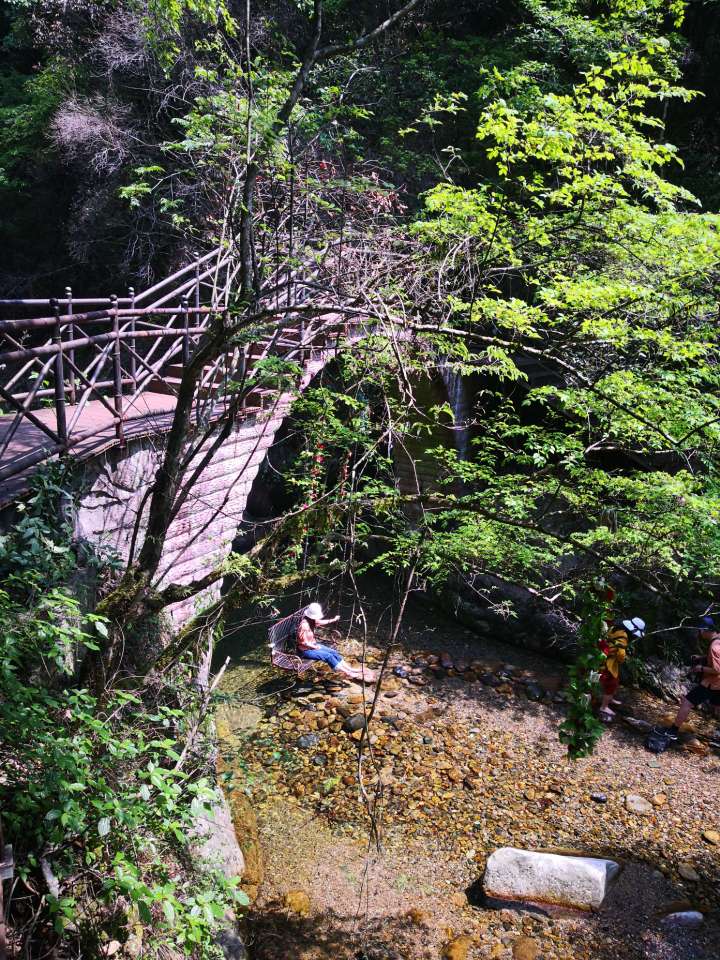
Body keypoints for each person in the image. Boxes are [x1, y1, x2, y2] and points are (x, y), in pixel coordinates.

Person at [659, 616, 720, 742]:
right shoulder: (718, 640)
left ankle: (673, 731)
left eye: (700, 630)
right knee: (717, 707)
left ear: (704, 630)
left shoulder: (714, 647)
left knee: (687, 702)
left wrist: (700, 668)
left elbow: (717, 669)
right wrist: (703, 657)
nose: (699, 633)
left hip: (713, 683)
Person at [296, 603, 376, 682]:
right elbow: (303, 642)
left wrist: (333, 619)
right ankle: (347, 672)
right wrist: (315, 647)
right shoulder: (304, 626)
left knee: (333, 652)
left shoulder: (311, 621)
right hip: (305, 651)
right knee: (328, 656)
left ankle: (350, 669)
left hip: (313, 645)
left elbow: (321, 622)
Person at [598, 616, 646, 721]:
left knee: (616, 680)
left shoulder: (617, 627)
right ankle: (604, 707)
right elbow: (621, 655)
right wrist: (623, 659)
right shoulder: (623, 637)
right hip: (608, 662)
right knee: (611, 684)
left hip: (603, 656)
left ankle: (609, 699)